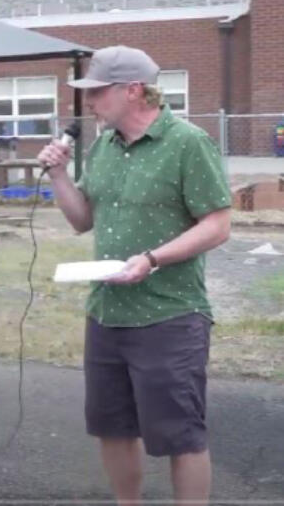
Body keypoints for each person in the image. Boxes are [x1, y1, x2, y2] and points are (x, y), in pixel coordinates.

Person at [38, 45, 231, 506]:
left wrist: (152, 258)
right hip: (106, 313)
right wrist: (60, 176)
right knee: (112, 427)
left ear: (134, 90)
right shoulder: (103, 146)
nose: (89, 102)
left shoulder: (187, 143)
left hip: (169, 315)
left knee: (179, 434)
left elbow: (218, 225)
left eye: (98, 92)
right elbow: (82, 220)